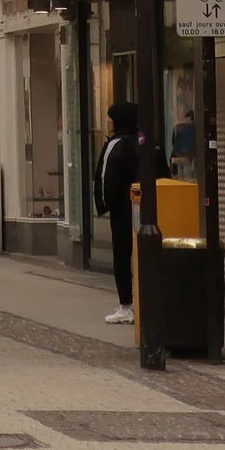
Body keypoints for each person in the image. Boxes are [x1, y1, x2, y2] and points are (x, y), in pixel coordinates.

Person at [96, 100, 140, 326]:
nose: (107, 120)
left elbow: (106, 179)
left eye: (110, 116)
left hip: (123, 210)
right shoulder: (147, 142)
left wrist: (105, 205)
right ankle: (144, 302)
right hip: (146, 209)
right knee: (144, 254)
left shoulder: (116, 144)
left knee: (122, 257)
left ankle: (127, 306)